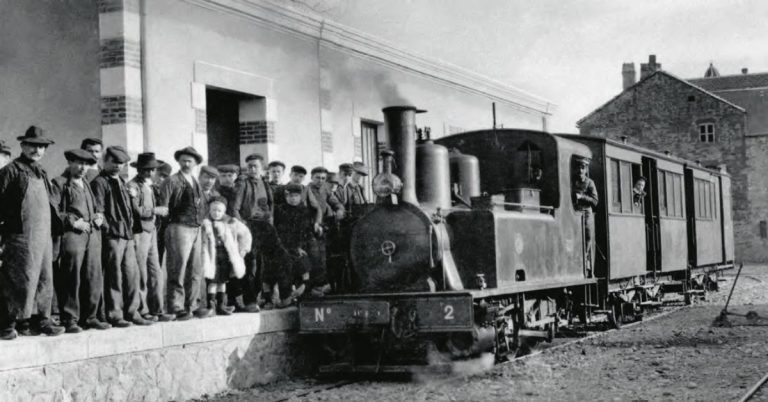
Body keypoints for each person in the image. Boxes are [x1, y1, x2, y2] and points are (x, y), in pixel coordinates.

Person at [0, 126, 65, 339]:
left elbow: (51, 203)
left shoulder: (41, 172)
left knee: (45, 277)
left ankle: (40, 320)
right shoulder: (11, 170)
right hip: (20, 235)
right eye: (33, 145)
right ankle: (8, 324)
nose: (37, 150)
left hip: (43, 234)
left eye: (41, 147)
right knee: (20, 278)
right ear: (23, 146)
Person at [91, 146, 153, 327]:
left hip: (128, 235)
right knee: (114, 275)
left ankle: (133, 312)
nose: (118, 166)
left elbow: (128, 209)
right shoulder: (100, 183)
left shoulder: (122, 181)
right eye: (114, 162)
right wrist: (109, 229)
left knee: (131, 274)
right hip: (113, 236)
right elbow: (99, 211)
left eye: (121, 163)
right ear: (105, 162)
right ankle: (115, 313)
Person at [51, 149, 111, 332]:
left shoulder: (86, 183)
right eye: (78, 163)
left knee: (92, 276)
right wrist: (72, 221)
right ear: (69, 162)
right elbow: (53, 210)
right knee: (71, 276)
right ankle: (70, 319)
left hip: (92, 235)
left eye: (86, 164)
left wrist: (99, 217)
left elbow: (94, 208)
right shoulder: (59, 183)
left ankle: (90, 317)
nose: (82, 167)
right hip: (72, 235)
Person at [159, 146, 212, 320]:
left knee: (195, 268)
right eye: (183, 160)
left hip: (195, 228)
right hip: (179, 227)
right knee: (178, 267)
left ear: (196, 163)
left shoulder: (195, 181)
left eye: (190, 160)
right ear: (179, 162)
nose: (186, 163)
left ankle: (193, 304)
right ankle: (176, 305)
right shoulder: (172, 181)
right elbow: (164, 207)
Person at [127, 153, 173, 322]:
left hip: (152, 231)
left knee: (156, 272)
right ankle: (142, 309)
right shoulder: (132, 186)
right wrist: (155, 211)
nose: (149, 172)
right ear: (139, 169)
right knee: (141, 272)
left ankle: (158, 309)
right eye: (146, 170)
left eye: (152, 169)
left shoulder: (150, 186)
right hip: (140, 233)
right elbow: (136, 210)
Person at [231, 153, 273, 312]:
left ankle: (258, 297)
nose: (252, 169)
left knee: (261, 264)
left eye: (255, 166)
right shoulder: (243, 184)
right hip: (247, 227)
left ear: (262, 168)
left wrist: (269, 226)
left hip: (263, 228)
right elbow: (235, 208)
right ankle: (249, 300)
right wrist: (242, 228)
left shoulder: (266, 184)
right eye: (249, 166)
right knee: (251, 264)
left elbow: (270, 208)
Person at [200, 197, 251, 315]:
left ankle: (221, 305)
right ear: (209, 210)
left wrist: (243, 250)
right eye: (213, 210)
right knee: (212, 280)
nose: (216, 213)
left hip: (225, 255)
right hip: (212, 256)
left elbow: (245, 234)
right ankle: (210, 305)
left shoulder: (231, 222)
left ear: (224, 211)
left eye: (219, 211)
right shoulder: (205, 223)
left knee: (223, 281)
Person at [271, 183, 312, 307]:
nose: (293, 199)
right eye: (290, 196)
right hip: (283, 245)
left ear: (300, 197)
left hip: (300, 245)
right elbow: (278, 230)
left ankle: (303, 292)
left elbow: (304, 230)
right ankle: (285, 295)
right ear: (285, 196)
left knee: (304, 265)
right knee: (284, 267)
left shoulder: (304, 211)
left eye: (296, 196)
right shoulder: (280, 210)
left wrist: (299, 246)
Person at [307, 167, 344, 296]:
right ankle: (313, 288)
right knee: (315, 257)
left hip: (323, 228)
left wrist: (339, 210)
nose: (320, 181)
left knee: (323, 257)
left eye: (323, 178)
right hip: (310, 228)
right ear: (311, 178)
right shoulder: (306, 190)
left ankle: (321, 286)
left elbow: (335, 202)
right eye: (317, 177)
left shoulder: (325, 190)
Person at [572, 156, 598, 275]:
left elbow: (595, 200)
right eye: (578, 167)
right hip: (574, 212)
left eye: (583, 168)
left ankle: (586, 259)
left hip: (586, 213)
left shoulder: (589, 182)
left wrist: (581, 197)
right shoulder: (572, 181)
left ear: (586, 170)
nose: (580, 170)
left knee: (588, 237)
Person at [153, 160, 173, 263]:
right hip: (151, 229)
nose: (161, 179)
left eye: (165, 177)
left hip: (163, 229)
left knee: (159, 258)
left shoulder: (169, 191)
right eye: (159, 175)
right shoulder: (149, 188)